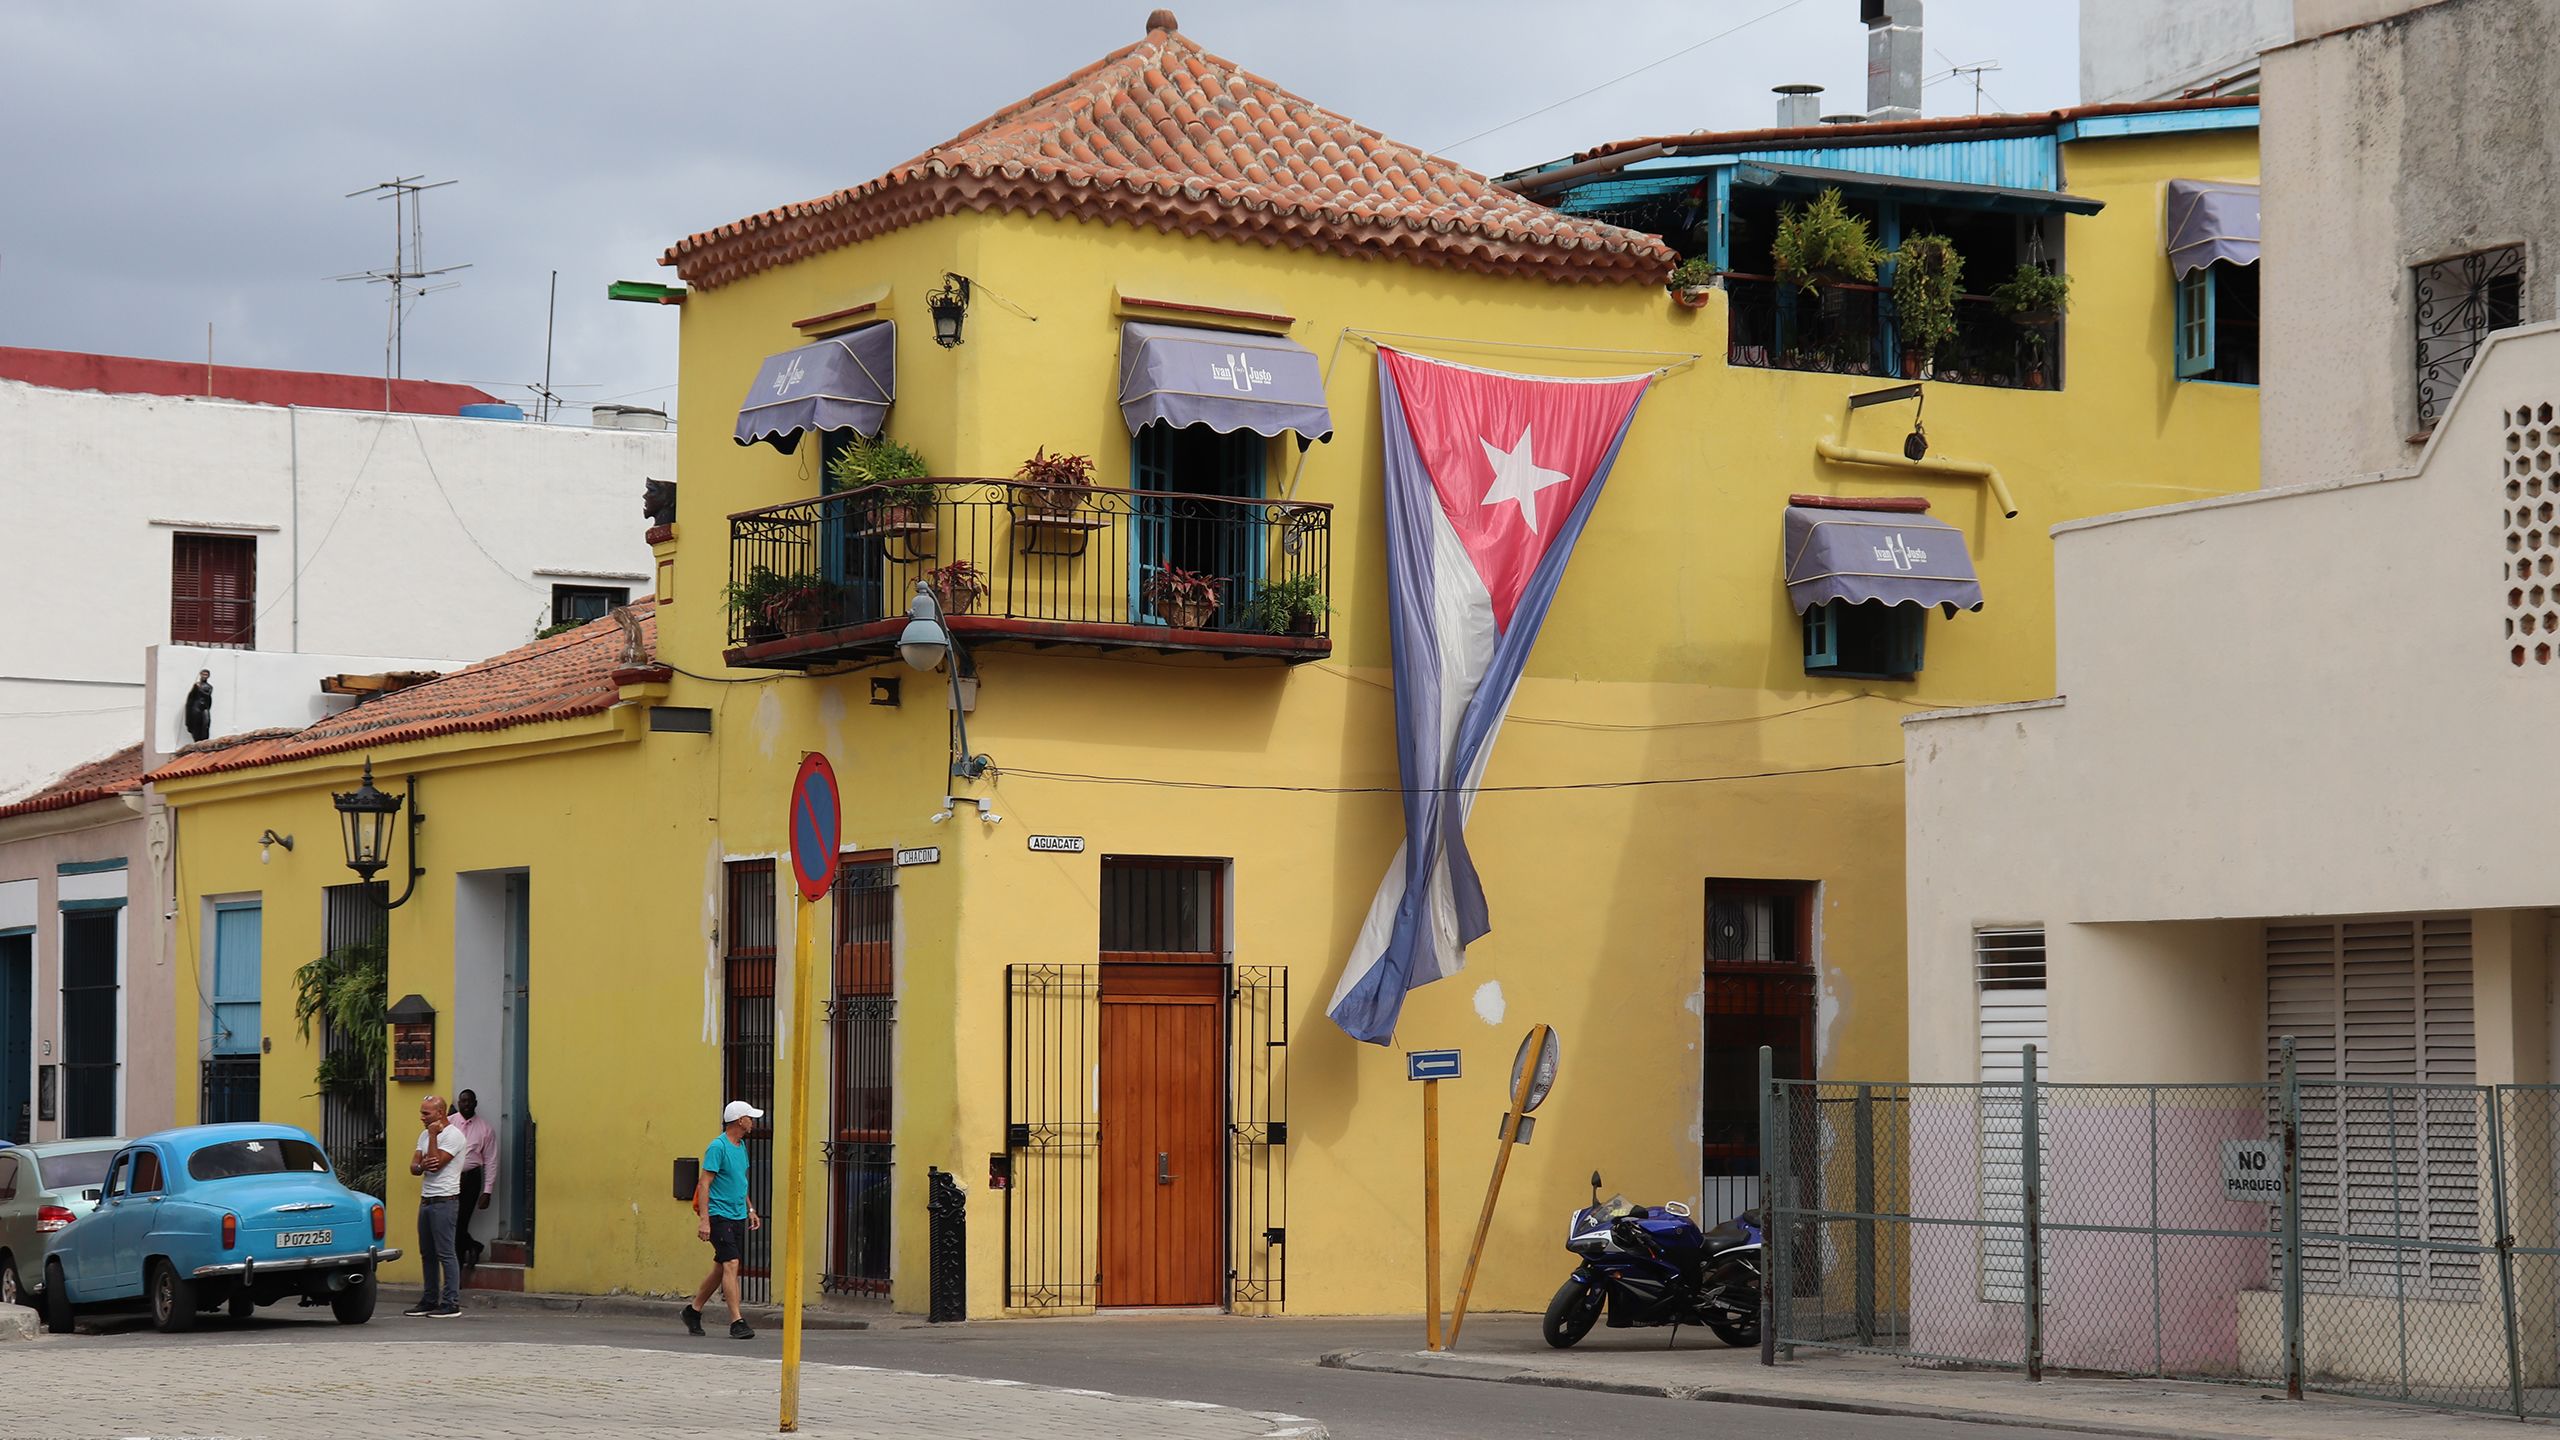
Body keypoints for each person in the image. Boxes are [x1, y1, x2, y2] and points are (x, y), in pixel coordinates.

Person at [683, 1100, 762, 1340]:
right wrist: (704, 1221)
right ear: (740, 1121)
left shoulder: (741, 1147)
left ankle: (693, 1311)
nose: (753, 1121)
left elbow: (740, 1181)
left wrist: (750, 1209)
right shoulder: (717, 1147)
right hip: (719, 1215)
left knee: (721, 1267)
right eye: (750, 1117)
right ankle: (737, 1321)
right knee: (732, 1263)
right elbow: (704, 1183)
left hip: (737, 1214)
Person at [407, 1094, 468, 1318]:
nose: (421, 1117)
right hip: (427, 1200)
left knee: (445, 1252)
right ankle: (429, 1299)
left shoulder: (454, 1136)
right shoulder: (423, 1135)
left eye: (426, 1113)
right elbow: (414, 1167)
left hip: (445, 1201)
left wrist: (433, 1136)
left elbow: (434, 1165)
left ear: (440, 1113)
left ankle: (451, 1302)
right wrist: (421, 1162)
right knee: (427, 1253)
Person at [447, 1088, 497, 1269]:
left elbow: (491, 1161)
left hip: (471, 1180)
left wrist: (487, 1191)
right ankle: (473, 1246)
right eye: (463, 1101)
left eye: (469, 1101)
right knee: (451, 1223)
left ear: (475, 1103)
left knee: (461, 1221)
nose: (466, 1104)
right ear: (459, 1103)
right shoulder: (448, 1124)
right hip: (450, 1179)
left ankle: (457, 1269)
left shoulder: (485, 1129)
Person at [182, 669, 213, 743]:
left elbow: (207, 695)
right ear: (200, 674)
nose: (204, 676)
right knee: (196, 724)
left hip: (204, 707)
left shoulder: (209, 687)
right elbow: (191, 696)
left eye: (206, 675)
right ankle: (197, 740)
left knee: (206, 722)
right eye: (203, 674)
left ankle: (204, 740)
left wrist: (199, 689)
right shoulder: (196, 685)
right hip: (196, 707)